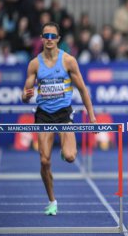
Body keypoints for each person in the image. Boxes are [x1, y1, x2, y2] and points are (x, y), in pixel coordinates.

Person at [21, 22, 96, 215]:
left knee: (70, 157)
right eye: (46, 36)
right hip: (44, 115)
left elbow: (83, 90)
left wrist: (92, 118)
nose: (49, 39)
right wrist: (25, 96)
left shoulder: (68, 61)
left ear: (58, 40)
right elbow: (25, 93)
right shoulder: (34, 64)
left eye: (53, 36)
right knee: (44, 161)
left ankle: (65, 148)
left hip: (63, 114)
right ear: (41, 38)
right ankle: (52, 200)